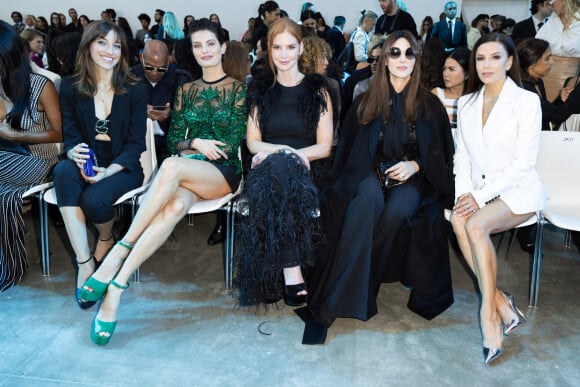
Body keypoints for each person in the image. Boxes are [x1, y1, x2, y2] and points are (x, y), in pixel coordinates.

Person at [80, 18, 247, 345]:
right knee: (171, 209)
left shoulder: (240, 89)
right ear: (191, 51)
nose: (204, 51)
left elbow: (231, 141)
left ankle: (118, 251)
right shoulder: (185, 90)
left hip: (224, 173)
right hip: (187, 170)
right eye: (197, 46)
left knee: (171, 166)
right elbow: (174, 141)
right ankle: (116, 289)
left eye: (210, 44)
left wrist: (193, 148)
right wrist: (195, 144)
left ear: (223, 48)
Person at [298, 30, 455, 344]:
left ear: (416, 60)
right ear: (384, 60)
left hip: (413, 179)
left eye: (408, 53)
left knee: (397, 212)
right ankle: (335, 301)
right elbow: (351, 152)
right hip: (368, 173)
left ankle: (356, 288)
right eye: (394, 53)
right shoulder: (365, 98)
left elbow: (441, 154)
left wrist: (415, 165)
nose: (401, 59)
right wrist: (372, 174)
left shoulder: (430, 104)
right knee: (365, 202)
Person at [451, 32, 544, 364]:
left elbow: (524, 164)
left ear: (509, 61)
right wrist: (465, 194)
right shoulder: (466, 103)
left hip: (519, 192)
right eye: (480, 58)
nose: (486, 65)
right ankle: (502, 302)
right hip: (480, 192)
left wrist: (478, 197)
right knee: (457, 216)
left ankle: (489, 316)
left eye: (494, 57)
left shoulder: (526, 101)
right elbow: (461, 156)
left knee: (474, 224)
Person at [234, 18, 333, 307]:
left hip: (308, 168)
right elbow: (253, 142)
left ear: (301, 47)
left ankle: (286, 271)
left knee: (283, 167)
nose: (284, 54)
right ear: (268, 50)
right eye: (277, 47)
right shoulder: (259, 90)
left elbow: (324, 147)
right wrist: (285, 152)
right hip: (267, 169)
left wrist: (291, 155)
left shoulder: (318, 90)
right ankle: (292, 269)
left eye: (290, 46)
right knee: (278, 169)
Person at [52, 21, 147, 311]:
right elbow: (70, 135)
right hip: (87, 160)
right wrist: (75, 154)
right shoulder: (68, 86)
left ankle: (106, 237)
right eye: (102, 43)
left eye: (116, 45)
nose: (110, 51)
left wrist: (109, 171)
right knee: (63, 172)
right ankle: (85, 263)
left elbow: (135, 145)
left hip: (123, 166)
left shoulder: (135, 89)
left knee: (94, 200)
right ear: (88, 46)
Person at [0, 20, 62, 291]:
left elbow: (60, 134)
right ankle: (10, 261)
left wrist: (16, 136)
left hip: (41, 161)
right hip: (7, 159)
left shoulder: (40, 85)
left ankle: (11, 266)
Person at [132, 40, 192, 165]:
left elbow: (192, 117)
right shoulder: (128, 77)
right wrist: (138, 112)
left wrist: (171, 115)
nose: (154, 73)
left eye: (161, 69)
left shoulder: (182, 80)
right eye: (149, 67)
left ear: (169, 62)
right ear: (141, 57)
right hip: (136, 143)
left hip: (169, 146)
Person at [518, 38, 580, 130]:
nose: (552, 62)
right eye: (547, 59)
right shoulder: (524, 90)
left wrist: (560, 100)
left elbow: (547, 112)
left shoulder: (537, 81)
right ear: (532, 63)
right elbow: (559, 115)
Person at [431, 47, 471, 136]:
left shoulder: (475, 98)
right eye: (444, 69)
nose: (445, 73)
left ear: (467, 74)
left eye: (451, 69)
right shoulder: (436, 94)